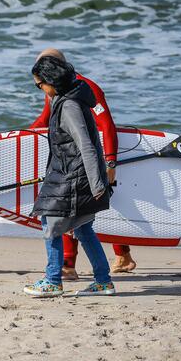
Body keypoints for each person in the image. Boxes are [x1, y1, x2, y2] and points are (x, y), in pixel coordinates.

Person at [29, 48, 136, 277]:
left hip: (88, 160)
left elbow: (106, 125)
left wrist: (110, 163)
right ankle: (110, 266)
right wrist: (20, 136)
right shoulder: (58, 91)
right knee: (82, 219)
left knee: (66, 215)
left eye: (39, 83)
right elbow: (46, 118)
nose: (40, 87)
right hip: (75, 161)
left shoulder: (82, 90)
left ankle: (64, 268)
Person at [23, 56, 115, 297]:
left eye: (39, 84)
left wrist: (97, 183)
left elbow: (86, 145)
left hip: (73, 176)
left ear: (52, 81)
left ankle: (53, 280)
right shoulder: (67, 99)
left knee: (50, 223)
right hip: (70, 173)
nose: (40, 89)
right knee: (83, 228)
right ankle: (103, 281)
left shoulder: (69, 106)